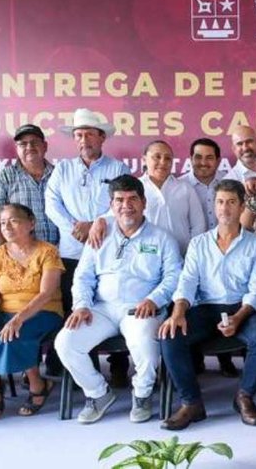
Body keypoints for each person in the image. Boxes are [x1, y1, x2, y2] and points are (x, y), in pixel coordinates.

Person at [55, 175, 181, 424]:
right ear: (111, 205)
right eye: (119, 200)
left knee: (145, 342)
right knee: (65, 342)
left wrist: (154, 299)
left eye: (133, 199)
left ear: (144, 203)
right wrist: (81, 305)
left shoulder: (162, 238)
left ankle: (142, 394)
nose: (126, 205)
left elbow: (173, 277)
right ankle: (98, 393)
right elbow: (82, 277)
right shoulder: (99, 234)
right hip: (100, 308)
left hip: (141, 309)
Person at [160, 180, 256, 431]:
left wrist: (239, 317)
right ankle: (192, 403)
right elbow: (187, 281)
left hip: (241, 307)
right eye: (220, 202)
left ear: (242, 206)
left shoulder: (255, 244)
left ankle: (244, 396)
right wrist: (178, 312)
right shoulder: (199, 243)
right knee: (170, 335)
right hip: (205, 307)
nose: (225, 208)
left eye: (232, 202)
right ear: (213, 206)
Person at [0, 203, 65, 419]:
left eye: (13, 221)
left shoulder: (48, 251)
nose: (6, 227)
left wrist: (19, 319)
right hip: (5, 311)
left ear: (31, 223)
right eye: (2, 223)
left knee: (15, 336)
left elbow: (46, 293)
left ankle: (39, 386)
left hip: (43, 311)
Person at [45, 109, 130, 303]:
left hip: (106, 247)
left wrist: (95, 224)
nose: (84, 140)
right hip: (71, 249)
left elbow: (124, 205)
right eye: (79, 135)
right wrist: (75, 228)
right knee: (72, 303)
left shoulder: (118, 168)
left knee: (104, 303)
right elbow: (51, 203)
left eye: (89, 134)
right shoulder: (63, 168)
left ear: (102, 137)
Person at [0, 124, 57, 245]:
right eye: (23, 144)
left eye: (34, 142)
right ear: (17, 149)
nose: (29, 147)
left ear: (45, 146)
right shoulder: (5, 176)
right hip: (22, 255)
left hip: (62, 252)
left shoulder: (60, 174)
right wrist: (5, 253)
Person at [140, 141, 207, 250]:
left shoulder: (185, 188)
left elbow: (198, 225)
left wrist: (192, 252)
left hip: (181, 255)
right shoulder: (135, 188)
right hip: (147, 254)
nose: (162, 162)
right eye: (157, 157)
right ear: (144, 160)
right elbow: (116, 216)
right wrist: (102, 221)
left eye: (167, 158)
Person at [183, 138, 225, 229]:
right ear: (191, 159)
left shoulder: (229, 181)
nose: (203, 163)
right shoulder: (179, 186)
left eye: (209, 158)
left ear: (218, 161)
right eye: (198, 157)